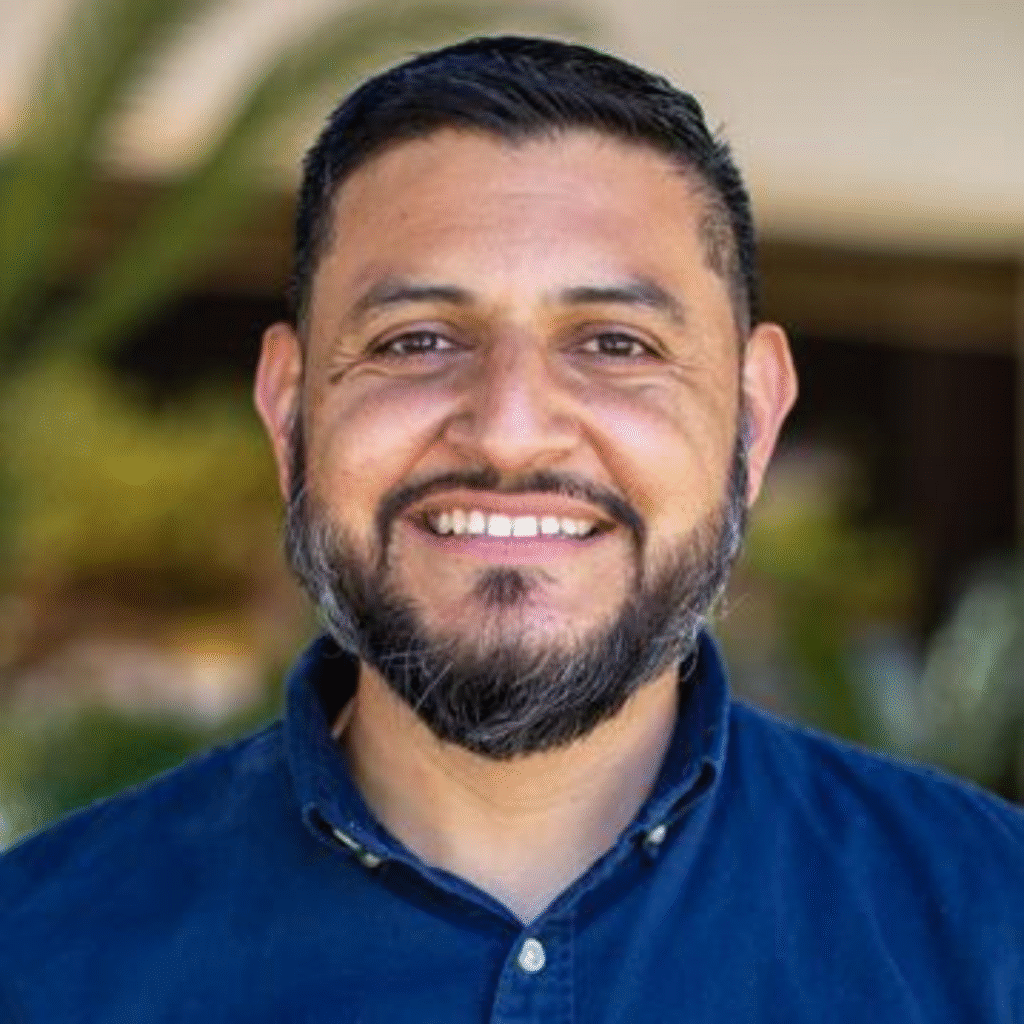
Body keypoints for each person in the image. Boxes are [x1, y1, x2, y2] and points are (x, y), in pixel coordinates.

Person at [1, 35, 1021, 1022]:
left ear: (752, 416)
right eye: (417, 340)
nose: (509, 429)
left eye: (615, 342)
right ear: (290, 410)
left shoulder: (994, 930)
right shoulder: (37, 959)